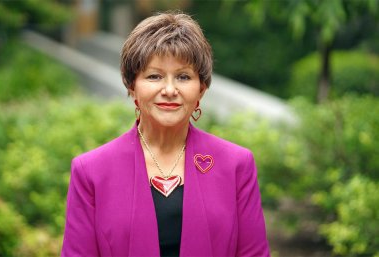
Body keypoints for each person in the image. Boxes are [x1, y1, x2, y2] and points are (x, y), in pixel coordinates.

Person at [61, 11, 270, 257]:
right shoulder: (91, 171)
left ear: (201, 89)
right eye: (154, 76)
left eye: (183, 77)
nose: (169, 90)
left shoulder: (237, 165)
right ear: (132, 87)